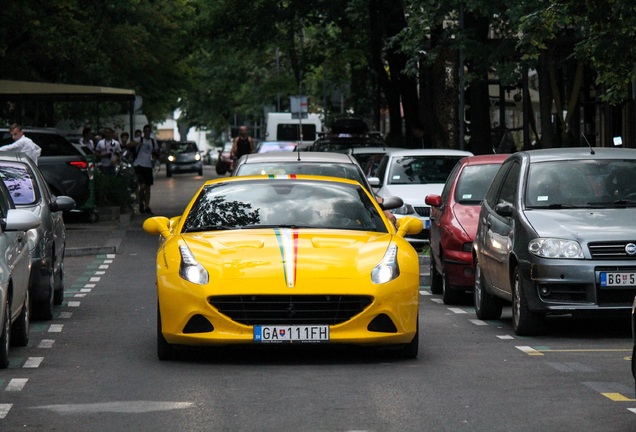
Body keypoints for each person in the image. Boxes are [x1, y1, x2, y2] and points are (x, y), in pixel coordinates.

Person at [129, 124, 159, 214]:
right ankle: (140, 201)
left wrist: (155, 155)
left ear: (150, 132)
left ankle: (147, 206)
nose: (147, 133)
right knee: (142, 186)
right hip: (139, 165)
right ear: (143, 132)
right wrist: (137, 143)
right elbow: (129, 144)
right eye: (145, 131)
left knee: (148, 188)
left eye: (148, 131)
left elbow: (156, 152)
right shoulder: (139, 139)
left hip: (148, 166)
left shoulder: (153, 142)